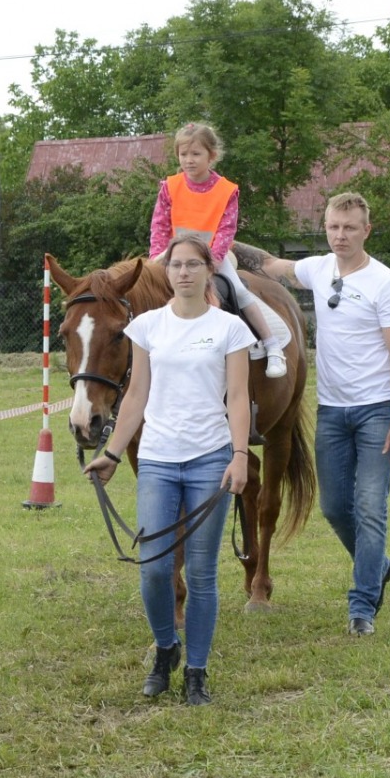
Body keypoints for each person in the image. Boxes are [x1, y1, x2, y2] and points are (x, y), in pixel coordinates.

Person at [83, 235, 254, 705]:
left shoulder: (229, 329)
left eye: (193, 265)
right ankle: (165, 648)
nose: (183, 273)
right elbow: (136, 395)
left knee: (201, 573)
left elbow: (238, 397)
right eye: (176, 265)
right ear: (169, 271)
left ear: (208, 270)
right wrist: (113, 453)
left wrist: (240, 454)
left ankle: (197, 670)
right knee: (155, 569)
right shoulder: (147, 327)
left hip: (210, 458)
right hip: (158, 459)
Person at [259, 192, 390, 636]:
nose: (340, 235)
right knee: (332, 507)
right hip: (332, 412)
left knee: (370, 508)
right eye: (333, 227)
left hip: (376, 412)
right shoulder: (319, 269)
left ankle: (362, 606)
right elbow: (273, 266)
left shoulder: (385, 284)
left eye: (349, 227)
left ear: (367, 230)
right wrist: (220, 242)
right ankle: (378, 565)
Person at [148, 122, 290, 378]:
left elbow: (226, 230)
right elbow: (159, 225)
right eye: (183, 154)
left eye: (196, 154)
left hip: (213, 256)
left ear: (211, 155)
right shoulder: (169, 186)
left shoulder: (226, 190)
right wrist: (155, 259)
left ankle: (272, 345)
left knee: (239, 291)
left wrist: (209, 262)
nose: (189, 160)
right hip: (175, 257)